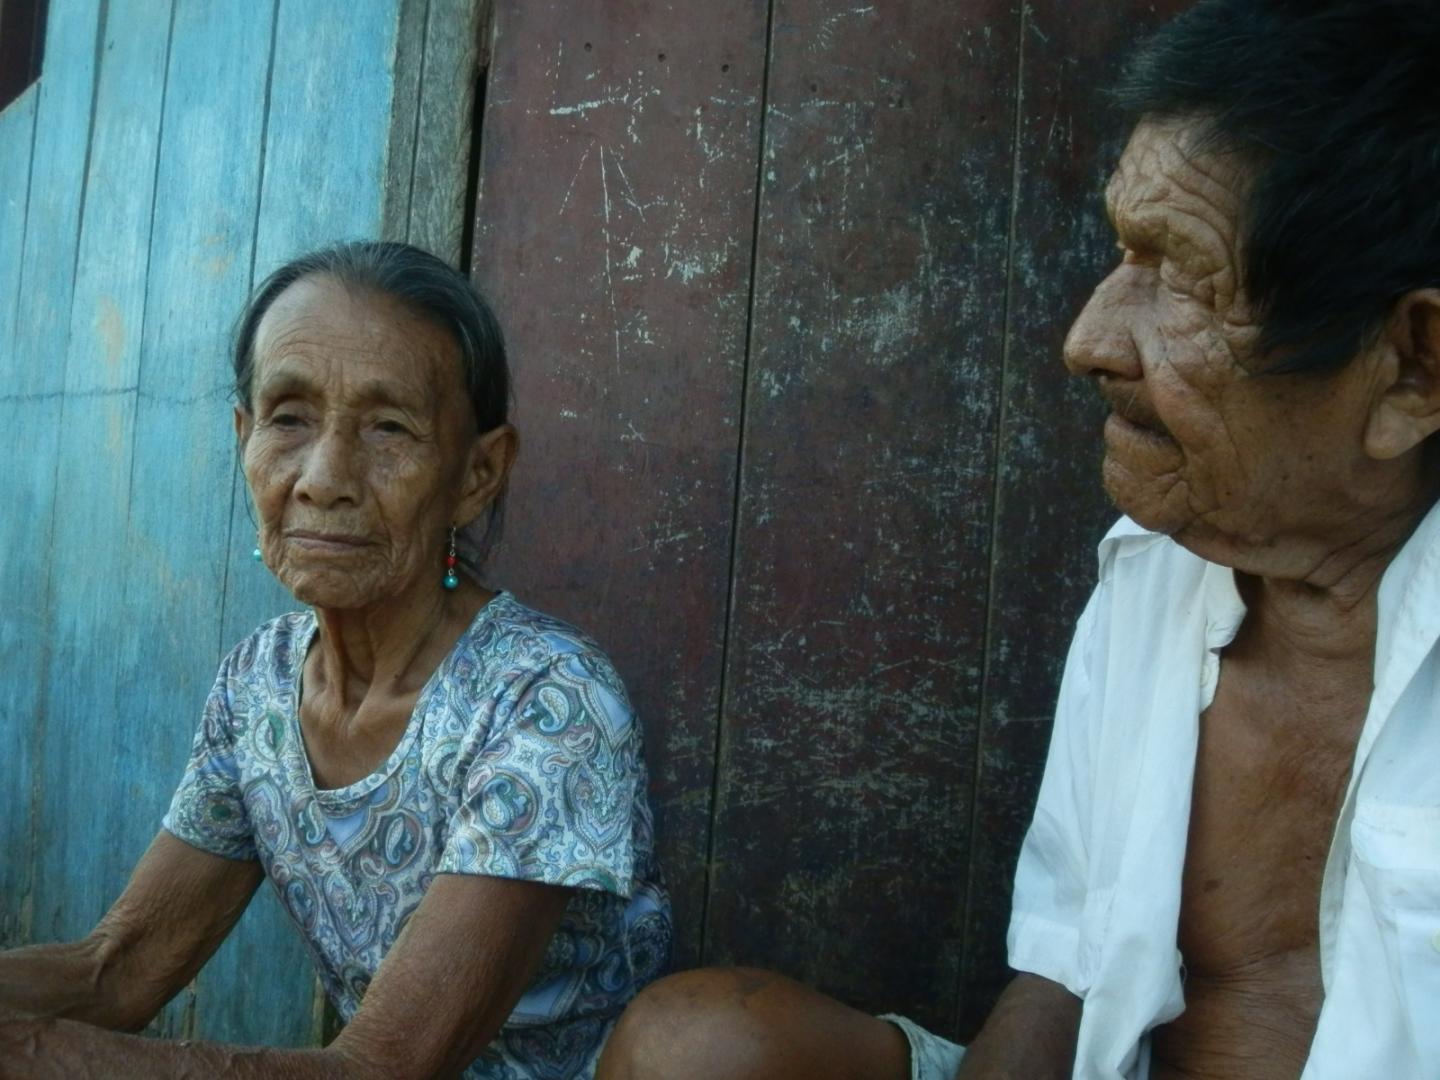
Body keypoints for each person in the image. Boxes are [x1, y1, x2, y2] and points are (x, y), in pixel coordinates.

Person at [594, 2, 1440, 1078]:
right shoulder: (1155, 576)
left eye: (1179, 276)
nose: (1086, 338)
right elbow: (1065, 979)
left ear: (1414, 368)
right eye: (1121, 254)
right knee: (700, 1050)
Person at [0, 241, 672, 1079]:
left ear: (476, 473)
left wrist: (37, 1055)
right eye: (288, 418)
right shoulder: (258, 686)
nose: (323, 478)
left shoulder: (544, 696)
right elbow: (118, 970)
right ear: (245, 439)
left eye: (389, 427)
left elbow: (383, 1070)